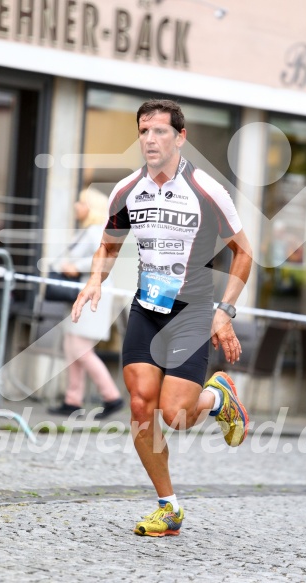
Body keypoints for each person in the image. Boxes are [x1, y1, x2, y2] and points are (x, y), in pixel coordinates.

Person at [72, 99, 252, 536]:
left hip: (191, 313)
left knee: (176, 413)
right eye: (144, 131)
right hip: (145, 308)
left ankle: (217, 399)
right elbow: (109, 244)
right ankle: (167, 507)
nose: (150, 139)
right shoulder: (127, 190)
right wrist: (95, 278)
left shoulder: (207, 189)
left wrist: (224, 312)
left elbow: (244, 253)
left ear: (180, 137)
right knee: (139, 404)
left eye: (160, 131)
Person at [49, 187, 124, 419]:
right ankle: (73, 399)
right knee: (72, 347)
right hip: (83, 295)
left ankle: (112, 396)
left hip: (93, 296)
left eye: (81, 203)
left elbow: (105, 259)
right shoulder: (90, 231)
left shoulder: (94, 232)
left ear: (90, 208)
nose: (76, 206)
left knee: (80, 349)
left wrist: (75, 267)